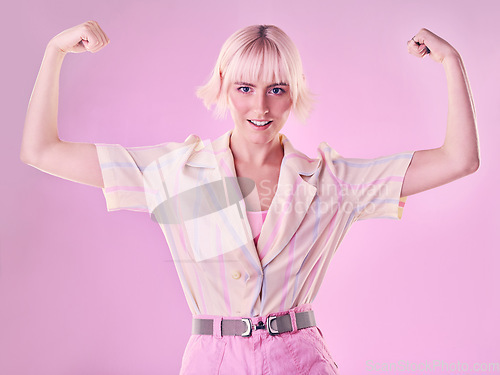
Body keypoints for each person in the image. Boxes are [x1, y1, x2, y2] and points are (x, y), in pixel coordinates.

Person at [20, 21, 479, 375]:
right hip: (211, 361)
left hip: (301, 361)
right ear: (223, 84)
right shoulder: (176, 174)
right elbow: (41, 150)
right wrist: (54, 52)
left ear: (293, 91)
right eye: (245, 88)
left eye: (276, 90)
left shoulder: (331, 182)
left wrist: (452, 62)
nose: (260, 107)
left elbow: (459, 159)